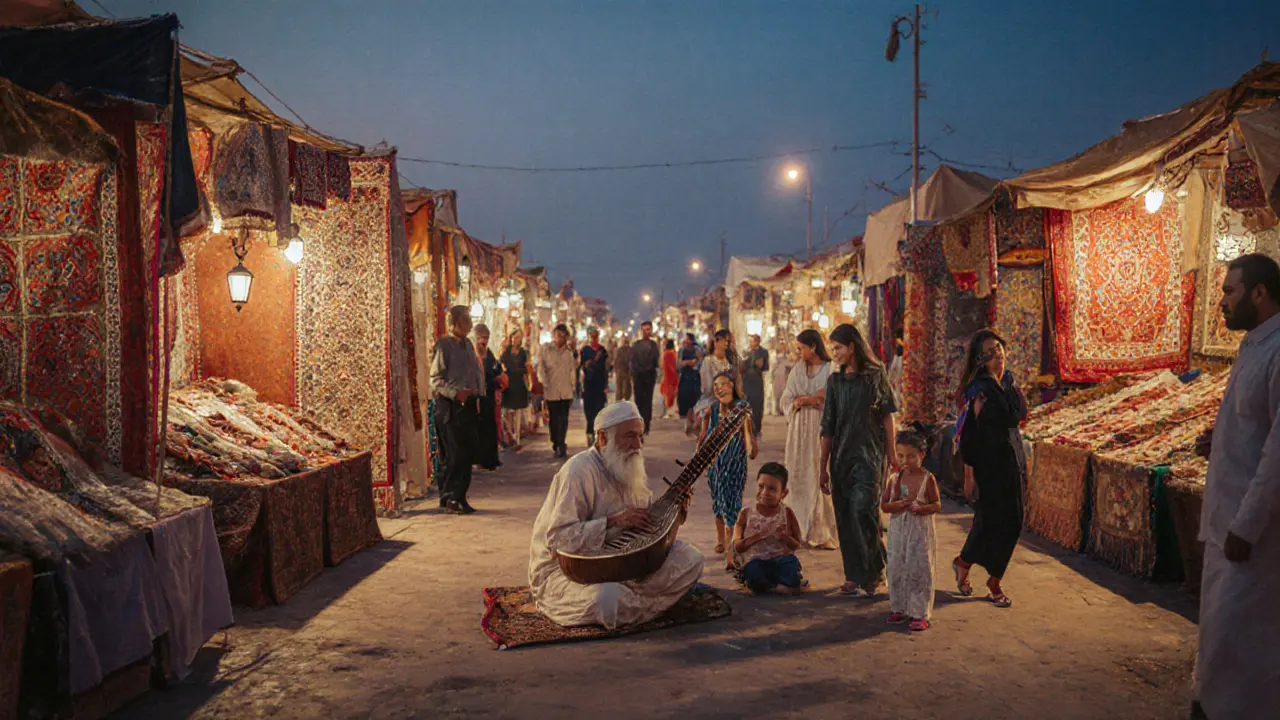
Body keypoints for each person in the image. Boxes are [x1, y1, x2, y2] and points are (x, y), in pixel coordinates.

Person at [1192, 253, 1280, 720]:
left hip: (1252, 534)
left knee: (1242, 644)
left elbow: (1278, 455)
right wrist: (1219, 441)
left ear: (1259, 294)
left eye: (1230, 291)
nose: (1222, 301)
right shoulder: (1255, 346)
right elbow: (1255, 429)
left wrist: (1247, 526)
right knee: (1221, 639)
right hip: (1226, 522)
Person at [528, 401, 702, 629]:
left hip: (624, 562)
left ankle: (631, 606)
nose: (637, 445)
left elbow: (648, 530)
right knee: (607, 599)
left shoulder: (630, 464)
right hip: (571, 571)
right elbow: (559, 539)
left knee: (691, 558)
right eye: (629, 436)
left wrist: (677, 512)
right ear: (602, 438)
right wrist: (612, 522)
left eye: (640, 436)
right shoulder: (578, 470)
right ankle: (641, 605)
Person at [819, 323, 896, 597]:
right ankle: (853, 574)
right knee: (844, 515)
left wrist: (893, 455)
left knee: (863, 510)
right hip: (840, 459)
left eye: (838, 348)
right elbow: (827, 427)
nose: (834, 353)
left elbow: (887, 416)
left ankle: (875, 570)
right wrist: (822, 468)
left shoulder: (876, 376)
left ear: (852, 347)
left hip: (869, 456)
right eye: (832, 348)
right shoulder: (835, 383)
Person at [952, 328, 1027, 609]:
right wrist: (970, 474)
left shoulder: (1005, 382)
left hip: (1011, 460)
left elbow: (1018, 415)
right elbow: (970, 434)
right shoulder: (981, 389)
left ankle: (965, 563)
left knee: (1011, 519)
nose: (998, 357)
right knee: (992, 521)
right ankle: (993, 582)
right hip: (990, 464)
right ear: (980, 360)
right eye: (990, 353)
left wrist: (1010, 384)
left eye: (1000, 349)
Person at [781, 329, 838, 549]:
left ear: (813, 347)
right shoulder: (797, 369)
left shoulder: (830, 369)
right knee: (798, 473)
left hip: (820, 428)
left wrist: (809, 400)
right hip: (799, 430)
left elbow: (831, 397)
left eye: (801, 348)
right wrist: (806, 400)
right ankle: (798, 528)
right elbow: (788, 397)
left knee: (820, 472)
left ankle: (822, 530)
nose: (799, 352)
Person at [881, 429, 940, 632]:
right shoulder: (895, 479)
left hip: (919, 532)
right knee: (897, 567)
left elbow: (936, 505)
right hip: (899, 531)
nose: (905, 461)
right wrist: (897, 505)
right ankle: (899, 607)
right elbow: (884, 506)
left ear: (922, 455)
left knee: (919, 569)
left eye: (911, 456)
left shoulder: (927, 479)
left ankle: (920, 612)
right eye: (900, 455)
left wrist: (922, 509)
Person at [699, 371, 758, 570]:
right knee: (718, 502)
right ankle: (721, 540)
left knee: (732, 505)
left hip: (735, 467)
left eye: (723, 384)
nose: (718, 388)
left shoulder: (741, 411)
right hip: (715, 466)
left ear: (732, 386)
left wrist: (748, 437)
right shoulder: (711, 411)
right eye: (715, 385)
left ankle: (732, 552)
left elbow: (751, 448)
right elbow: (701, 440)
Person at [430, 306, 484, 514]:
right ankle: (449, 495)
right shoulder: (444, 345)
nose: (469, 324)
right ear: (454, 322)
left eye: (469, 319)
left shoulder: (468, 345)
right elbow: (436, 380)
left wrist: (478, 395)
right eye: (465, 320)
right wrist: (455, 393)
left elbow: (475, 373)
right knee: (453, 453)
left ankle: (459, 495)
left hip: (468, 406)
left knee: (467, 452)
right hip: (450, 407)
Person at [732, 462, 804, 595]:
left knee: (790, 564)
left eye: (772, 489)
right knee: (754, 571)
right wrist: (756, 537)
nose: (765, 493)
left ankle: (771, 586)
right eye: (761, 486)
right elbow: (737, 547)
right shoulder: (746, 513)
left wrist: (785, 538)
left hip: (780, 560)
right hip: (756, 561)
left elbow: (797, 544)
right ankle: (774, 587)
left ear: (784, 493)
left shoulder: (786, 512)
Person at [538, 324, 577, 459]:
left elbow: (572, 370)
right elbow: (541, 367)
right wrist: (544, 381)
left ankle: (561, 443)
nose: (561, 338)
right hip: (552, 390)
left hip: (566, 391)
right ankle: (555, 441)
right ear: (554, 335)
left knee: (564, 419)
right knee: (554, 419)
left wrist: (573, 386)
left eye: (563, 336)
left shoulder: (569, 353)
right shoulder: (546, 350)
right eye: (558, 335)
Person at [473, 324, 504, 471]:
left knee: (489, 426)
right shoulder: (472, 354)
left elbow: (497, 369)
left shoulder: (489, 354)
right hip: (475, 396)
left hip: (488, 395)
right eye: (482, 338)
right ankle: (479, 458)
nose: (484, 341)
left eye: (486, 338)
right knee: (478, 428)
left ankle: (490, 459)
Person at [500, 329, 532, 451]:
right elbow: (501, 363)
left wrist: (529, 381)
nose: (516, 339)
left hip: (518, 383)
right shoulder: (506, 351)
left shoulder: (523, 352)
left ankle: (517, 438)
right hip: (509, 383)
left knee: (518, 412)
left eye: (518, 337)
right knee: (507, 412)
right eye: (514, 337)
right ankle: (510, 433)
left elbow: (526, 367)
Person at [695, 330, 735, 424]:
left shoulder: (728, 361)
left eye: (728, 341)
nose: (726, 343)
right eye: (723, 340)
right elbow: (707, 387)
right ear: (716, 342)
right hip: (712, 399)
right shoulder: (708, 361)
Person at [579, 328, 610, 446]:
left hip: (599, 385)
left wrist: (606, 384)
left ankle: (597, 433)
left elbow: (605, 369)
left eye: (596, 336)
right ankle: (589, 431)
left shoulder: (602, 351)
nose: (594, 338)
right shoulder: (585, 350)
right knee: (588, 411)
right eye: (592, 336)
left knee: (599, 410)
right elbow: (582, 368)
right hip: (588, 385)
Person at [629, 321, 661, 434]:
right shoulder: (635, 345)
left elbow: (656, 361)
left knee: (647, 401)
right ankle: (639, 424)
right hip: (638, 377)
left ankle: (646, 425)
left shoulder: (653, 345)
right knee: (638, 401)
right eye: (645, 329)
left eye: (649, 329)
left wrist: (650, 371)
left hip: (649, 377)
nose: (647, 331)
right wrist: (637, 372)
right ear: (641, 330)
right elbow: (632, 361)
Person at [740, 333, 770, 442]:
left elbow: (765, 366)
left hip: (757, 381)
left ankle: (757, 429)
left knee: (757, 405)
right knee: (747, 405)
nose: (751, 343)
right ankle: (748, 429)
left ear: (757, 341)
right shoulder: (745, 352)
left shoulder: (763, 352)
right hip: (747, 381)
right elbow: (741, 366)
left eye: (752, 341)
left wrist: (760, 363)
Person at [678, 333, 703, 436]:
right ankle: (689, 422)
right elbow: (679, 364)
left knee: (695, 400)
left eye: (688, 339)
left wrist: (690, 363)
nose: (686, 341)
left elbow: (698, 362)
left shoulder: (697, 349)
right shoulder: (681, 350)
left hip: (695, 378)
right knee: (686, 399)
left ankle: (693, 423)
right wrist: (687, 363)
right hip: (685, 378)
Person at [772, 339, 795, 416]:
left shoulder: (789, 356)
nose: (783, 348)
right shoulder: (777, 357)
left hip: (785, 376)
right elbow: (774, 367)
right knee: (777, 392)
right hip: (778, 376)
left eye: (784, 346)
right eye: (782, 346)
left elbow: (792, 365)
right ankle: (777, 409)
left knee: (784, 393)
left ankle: (783, 409)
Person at [660, 339, 679, 418]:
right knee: (670, 395)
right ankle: (669, 411)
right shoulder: (673, 353)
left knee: (668, 395)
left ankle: (668, 411)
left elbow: (667, 366)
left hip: (668, 377)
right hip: (671, 377)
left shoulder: (667, 354)